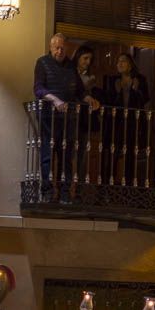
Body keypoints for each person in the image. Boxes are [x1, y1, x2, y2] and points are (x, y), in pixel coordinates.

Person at [33, 35, 102, 201]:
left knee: (66, 157)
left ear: (67, 49)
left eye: (62, 48)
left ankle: (65, 193)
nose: (59, 51)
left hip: (68, 119)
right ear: (51, 48)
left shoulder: (71, 66)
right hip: (48, 117)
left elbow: (79, 91)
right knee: (47, 156)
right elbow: (38, 89)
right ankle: (48, 193)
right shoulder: (42, 63)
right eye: (56, 48)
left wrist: (89, 99)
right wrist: (55, 100)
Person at [102, 52, 150, 186]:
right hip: (115, 124)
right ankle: (106, 187)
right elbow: (107, 101)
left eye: (123, 61)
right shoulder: (112, 80)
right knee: (112, 157)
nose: (120, 64)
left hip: (133, 125)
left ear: (131, 64)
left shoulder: (140, 79)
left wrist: (136, 89)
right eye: (118, 61)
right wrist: (117, 91)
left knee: (130, 157)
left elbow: (146, 99)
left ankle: (128, 187)